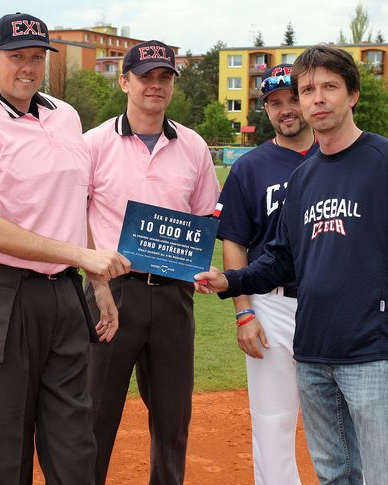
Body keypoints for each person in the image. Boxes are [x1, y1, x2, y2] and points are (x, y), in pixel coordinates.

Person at [195, 45, 388, 485]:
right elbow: (281, 259)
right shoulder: (304, 177)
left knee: (387, 475)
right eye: (308, 89)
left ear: (353, 95)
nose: (316, 98)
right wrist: (230, 281)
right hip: (314, 355)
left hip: (374, 352)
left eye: (329, 87)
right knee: (334, 475)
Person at [0, 12, 130, 485]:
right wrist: (83, 257)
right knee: (6, 447)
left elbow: (73, 207)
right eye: (17, 56)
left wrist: (96, 282)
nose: (28, 67)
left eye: (37, 57)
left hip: (63, 295)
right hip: (0, 294)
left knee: (74, 440)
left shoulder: (65, 116)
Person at [84, 40, 220, 485]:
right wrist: (97, 278)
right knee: (95, 416)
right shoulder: (93, 144)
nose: (155, 85)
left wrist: (197, 264)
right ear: (125, 81)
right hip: (112, 292)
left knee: (172, 418)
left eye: (164, 77)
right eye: (145, 76)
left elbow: (202, 217)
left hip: (172, 296)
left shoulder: (194, 146)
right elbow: (73, 216)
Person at [216, 63, 317, 485]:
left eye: (293, 98)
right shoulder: (249, 167)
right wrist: (244, 311)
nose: (285, 109)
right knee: (272, 421)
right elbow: (234, 241)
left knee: (342, 419)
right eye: (275, 103)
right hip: (271, 304)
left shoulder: (339, 156)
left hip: (331, 304)